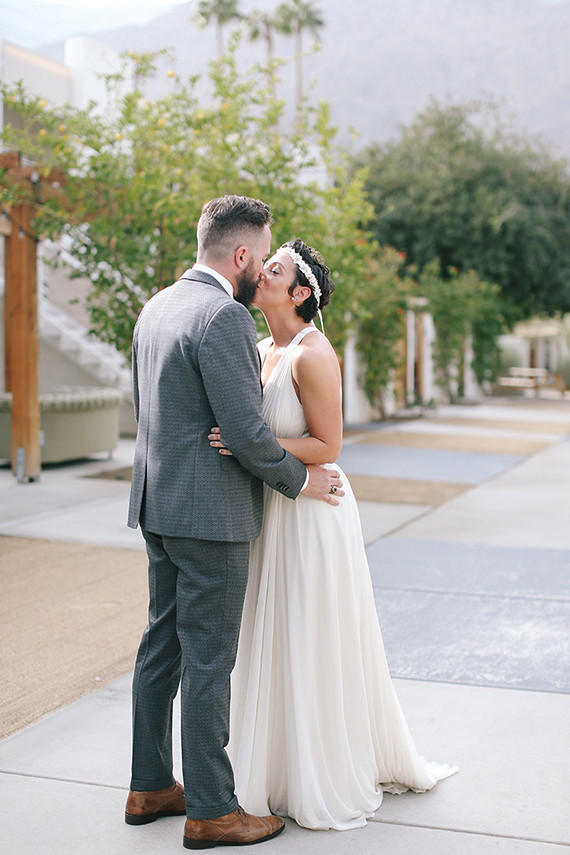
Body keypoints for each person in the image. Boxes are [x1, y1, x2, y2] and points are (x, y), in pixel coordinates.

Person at [210, 239, 457, 831]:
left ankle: (318, 770)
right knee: (267, 632)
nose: (259, 272)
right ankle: (270, 769)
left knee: (306, 631)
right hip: (274, 505)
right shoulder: (262, 345)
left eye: (273, 269)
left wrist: (247, 447)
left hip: (313, 512)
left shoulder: (311, 353)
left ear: (299, 294)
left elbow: (329, 446)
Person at [124, 197, 343, 850]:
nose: (264, 270)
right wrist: (302, 480)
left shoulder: (159, 304)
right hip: (210, 515)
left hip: (159, 505)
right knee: (209, 659)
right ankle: (214, 809)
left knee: (160, 645)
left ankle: (150, 784)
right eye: (264, 253)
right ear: (242, 256)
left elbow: (150, 412)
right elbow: (247, 436)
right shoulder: (223, 316)